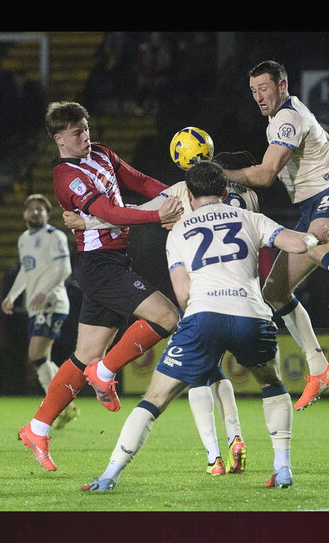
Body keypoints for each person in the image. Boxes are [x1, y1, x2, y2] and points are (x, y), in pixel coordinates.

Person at [81, 160, 329, 492]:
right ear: (226, 192)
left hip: (204, 315)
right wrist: (316, 237)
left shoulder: (179, 231)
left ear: (188, 193)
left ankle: (109, 475)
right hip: (252, 315)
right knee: (271, 383)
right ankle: (282, 468)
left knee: (155, 397)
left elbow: (183, 294)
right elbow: (298, 245)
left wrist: (202, 327)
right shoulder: (250, 218)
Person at [63, 151, 260, 474]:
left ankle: (214, 456)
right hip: (245, 299)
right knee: (241, 377)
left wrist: (87, 222)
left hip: (203, 298)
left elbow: (132, 213)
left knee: (192, 375)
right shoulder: (249, 201)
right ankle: (237, 436)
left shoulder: (183, 193)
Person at [18, 101, 185, 472]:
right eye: (77, 132)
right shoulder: (66, 177)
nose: (85, 136)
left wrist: (176, 197)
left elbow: (138, 181)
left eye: (86, 128)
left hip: (113, 261)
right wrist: (158, 215)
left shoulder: (102, 153)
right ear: (60, 138)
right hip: (99, 266)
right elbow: (108, 214)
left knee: (83, 357)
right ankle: (107, 372)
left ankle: (37, 427)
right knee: (168, 316)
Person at [220, 59, 329, 411]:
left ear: (282, 85)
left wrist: (219, 174)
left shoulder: (288, 117)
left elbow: (265, 175)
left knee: (318, 240)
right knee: (275, 291)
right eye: (253, 91)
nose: (259, 96)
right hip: (311, 204)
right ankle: (319, 367)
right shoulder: (275, 121)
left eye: (264, 88)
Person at [1, 194, 79, 429]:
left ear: (47, 214)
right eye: (31, 209)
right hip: (35, 305)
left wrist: (44, 291)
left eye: (40, 209)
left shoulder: (54, 236)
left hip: (51, 301)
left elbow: (64, 268)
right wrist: (12, 295)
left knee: (36, 354)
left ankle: (56, 407)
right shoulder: (24, 239)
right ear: (24, 214)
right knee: (41, 357)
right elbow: (26, 271)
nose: (35, 212)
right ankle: (66, 406)